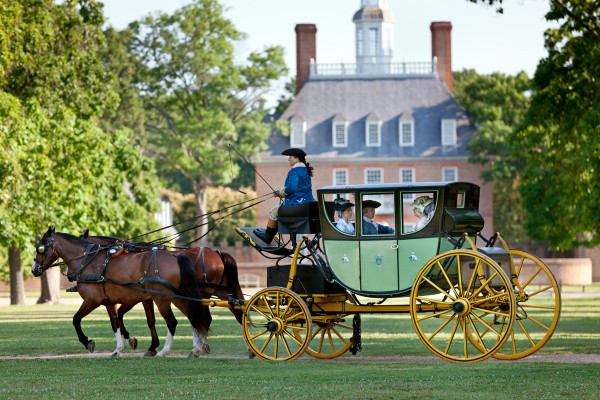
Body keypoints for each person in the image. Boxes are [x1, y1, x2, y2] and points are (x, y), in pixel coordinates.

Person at [254, 148, 315, 243]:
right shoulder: (304, 170)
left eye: (290, 157)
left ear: (296, 158)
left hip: (296, 205)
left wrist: (280, 192)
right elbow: (299, 189)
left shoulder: (295, 171)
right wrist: (281, 192)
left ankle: (268, 236)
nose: (288, 159)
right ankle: (269, 233)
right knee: (277, 210)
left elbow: (292, 187)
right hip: (305, 204)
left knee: (274, 211)